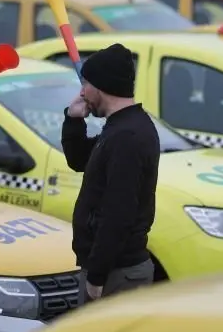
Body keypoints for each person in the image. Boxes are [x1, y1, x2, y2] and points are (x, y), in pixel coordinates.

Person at [62, 43, 160, 305]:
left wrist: (96, 276)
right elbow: (80, 160)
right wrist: (73, 121)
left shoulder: (127, 136)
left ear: (101, 86)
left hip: (117, 275)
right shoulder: (121, 129)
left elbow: (118, 214)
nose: (82, 92)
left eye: (86, 84)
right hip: (113, 272)